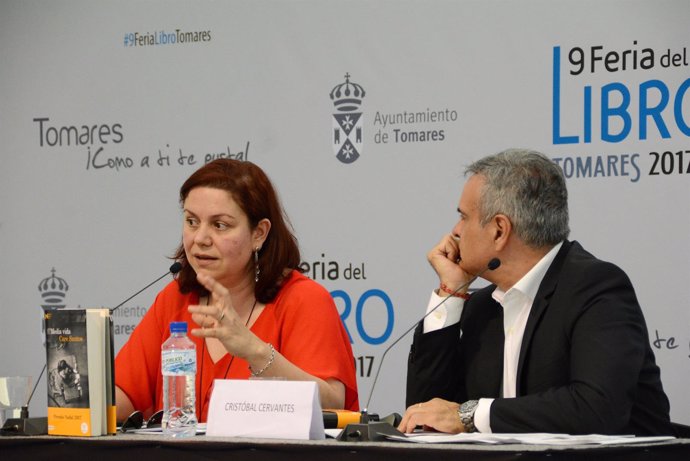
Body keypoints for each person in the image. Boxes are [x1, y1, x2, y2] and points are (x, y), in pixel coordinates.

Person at [399, 148, 672, 436]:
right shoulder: (483, 307)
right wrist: (451, 293)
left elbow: (597, 408)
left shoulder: (596, 288)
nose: (455, 231)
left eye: (464, 217)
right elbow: (425, 416)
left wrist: (470, 415)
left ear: (499, 230)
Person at [115, 159, 358, 422]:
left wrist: (254, 350)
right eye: (192, 221)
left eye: (220, 225)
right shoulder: (176, 299)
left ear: (259, 234)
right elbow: (123, 396)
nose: (200, 238)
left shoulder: (303, 300)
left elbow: (334, 404)